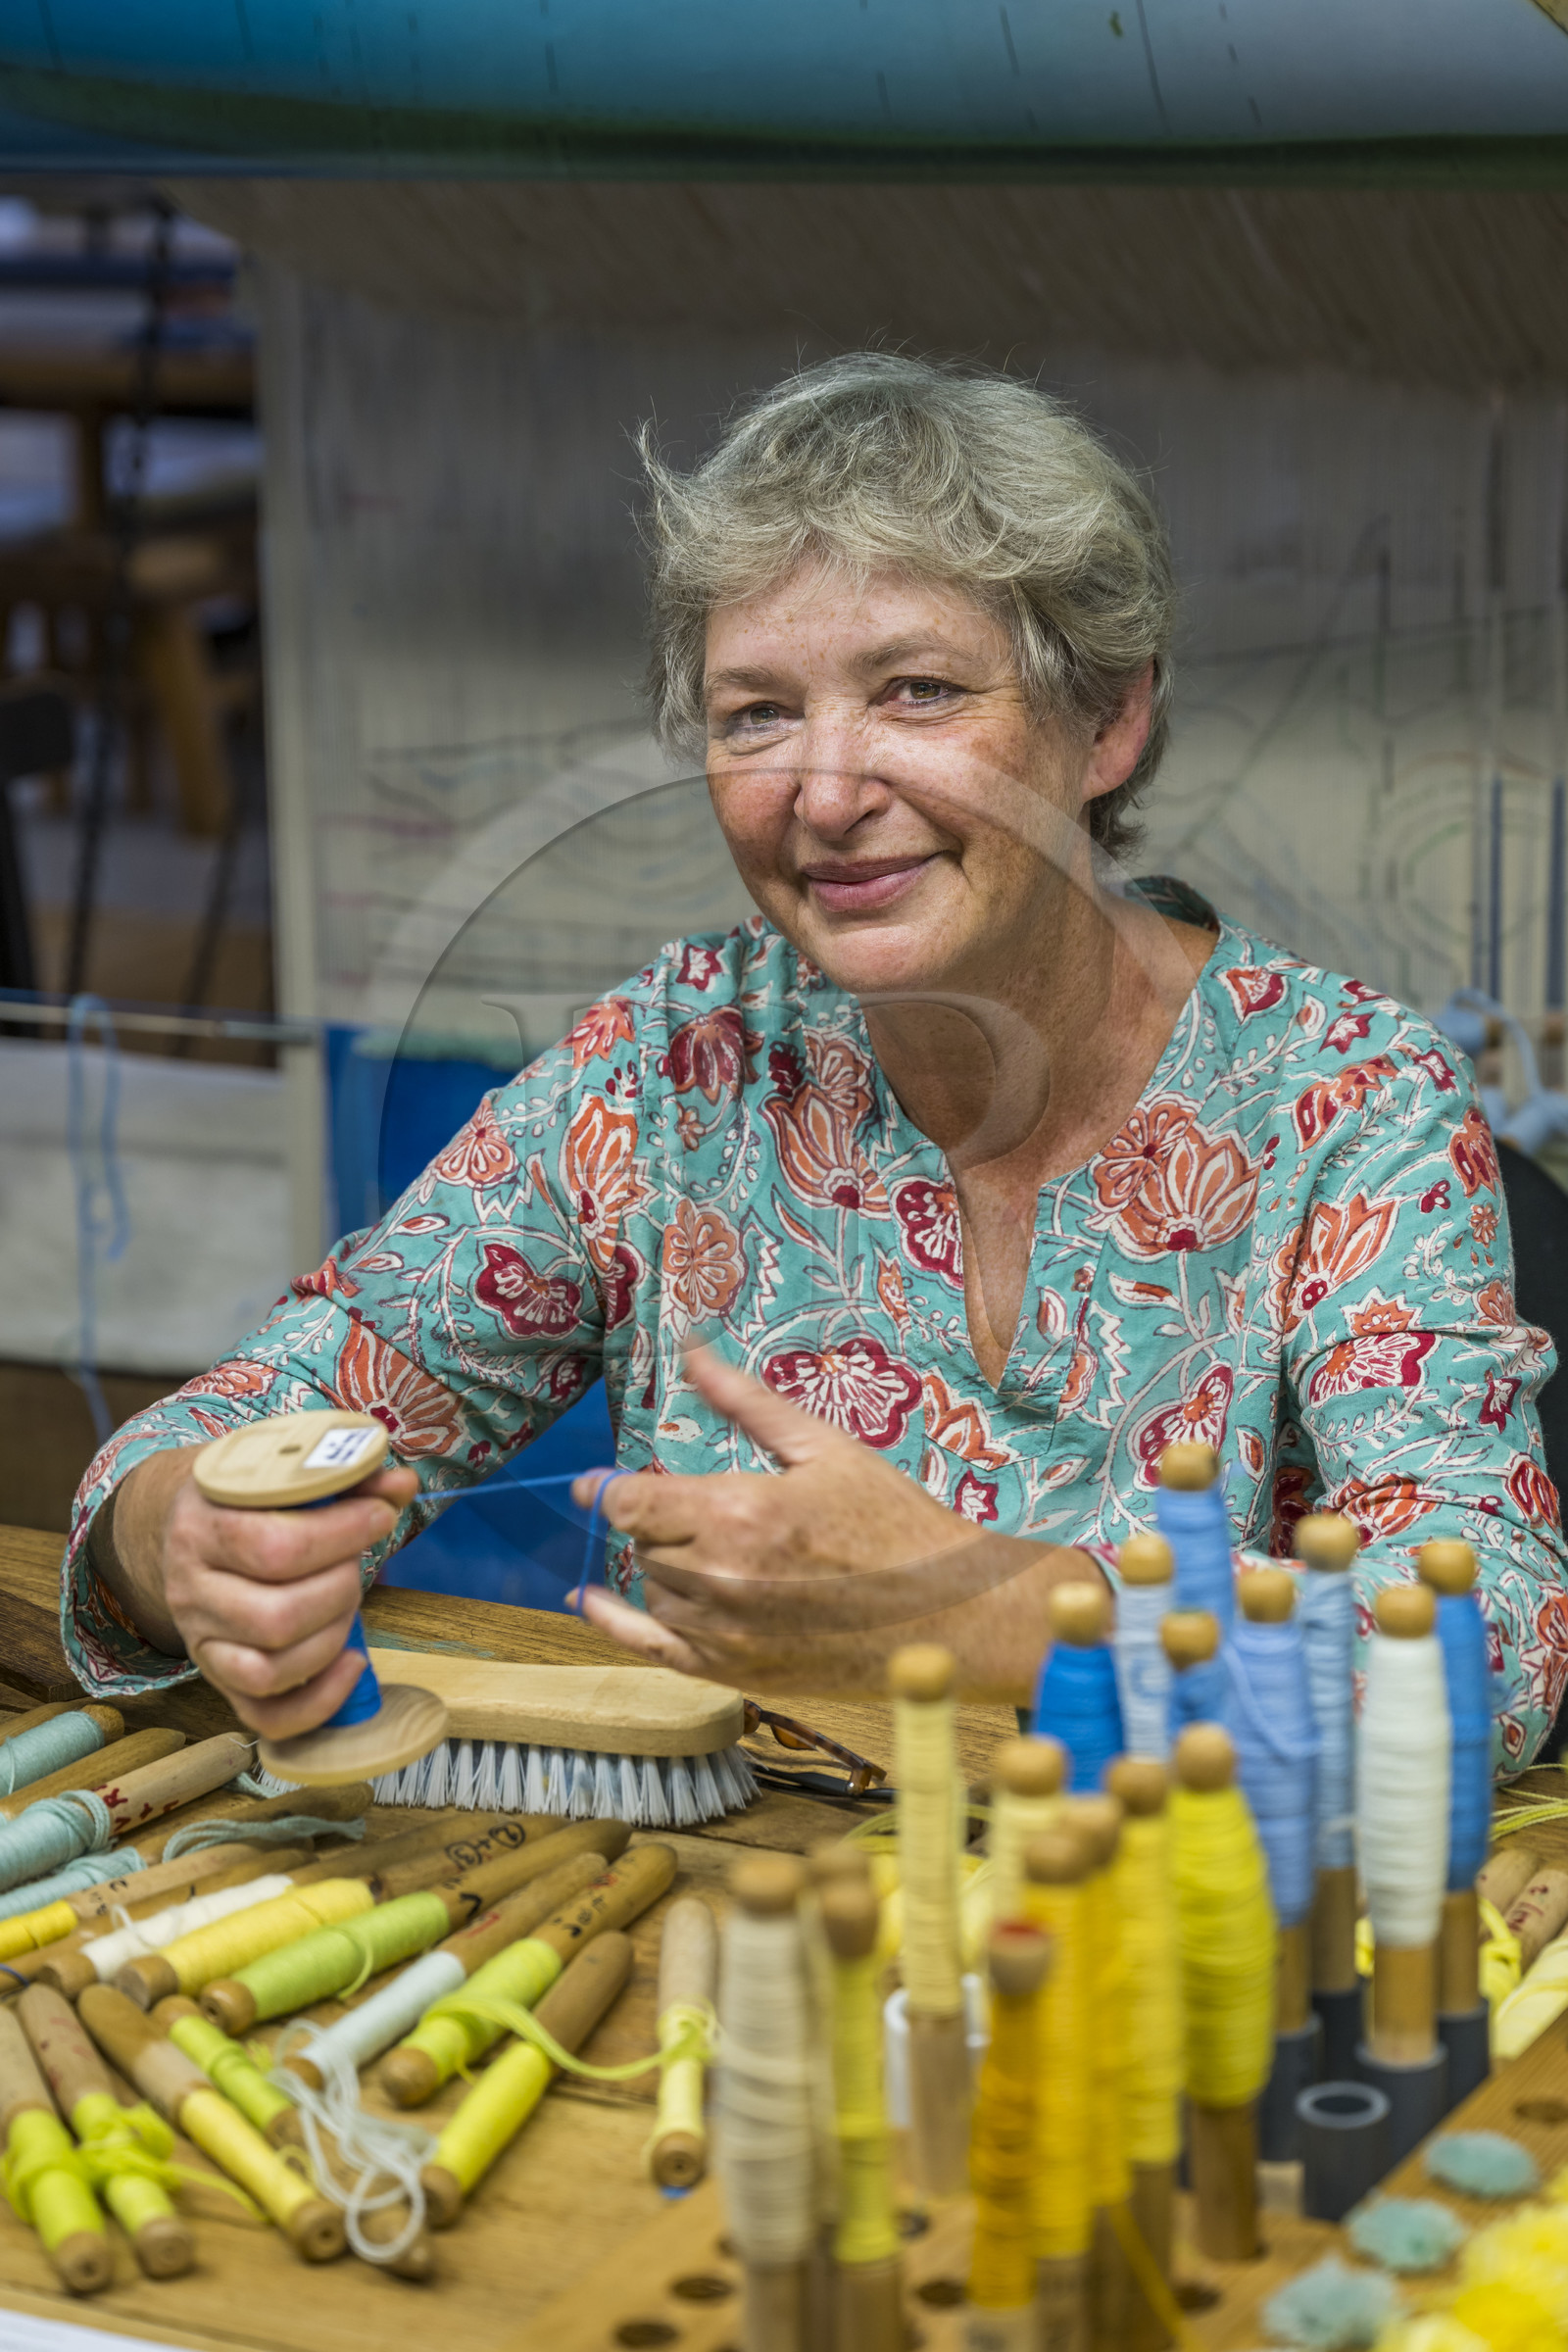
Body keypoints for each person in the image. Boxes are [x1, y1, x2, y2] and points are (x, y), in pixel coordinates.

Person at [65, 354, 1566, 1767]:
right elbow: (254, 1421)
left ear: (1108, 720)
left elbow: (1489, 1648)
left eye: (918, 691)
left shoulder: (1348, 1100)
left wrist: (975, 1608)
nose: (827, 793)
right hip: (746, 1900)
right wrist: (186, 1538)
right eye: (758, 715)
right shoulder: (673, 1068)